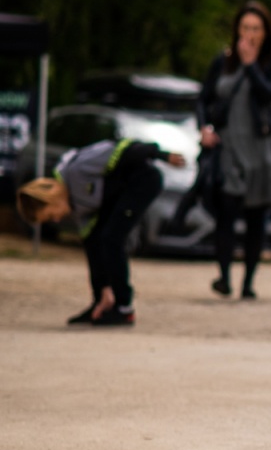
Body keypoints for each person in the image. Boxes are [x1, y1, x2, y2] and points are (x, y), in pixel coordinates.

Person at [16, 138, 186, 326]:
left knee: (112, 239)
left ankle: (124, 309)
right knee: (96, 241)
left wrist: (161, 155)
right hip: (119, 193)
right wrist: (103, 289)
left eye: (50, 216)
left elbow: (123, 148)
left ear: (50, 198)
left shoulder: (77, 169)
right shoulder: (74, 204)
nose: (56, 220)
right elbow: (92, 245)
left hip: (142, 180)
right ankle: (101, 304)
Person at [198, 1, 271, 300]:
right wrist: (204, 127)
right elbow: (203, 99)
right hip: (229, 147)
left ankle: (248, 283)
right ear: (237, 30)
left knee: (257, 217)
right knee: (226, 212)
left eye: (256, 28)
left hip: (261, 149)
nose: (250, 34)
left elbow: (269, 93)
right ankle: (224, 277)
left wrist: (251, 64)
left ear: (266, 32)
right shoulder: (223, 61)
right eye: (245, 28)